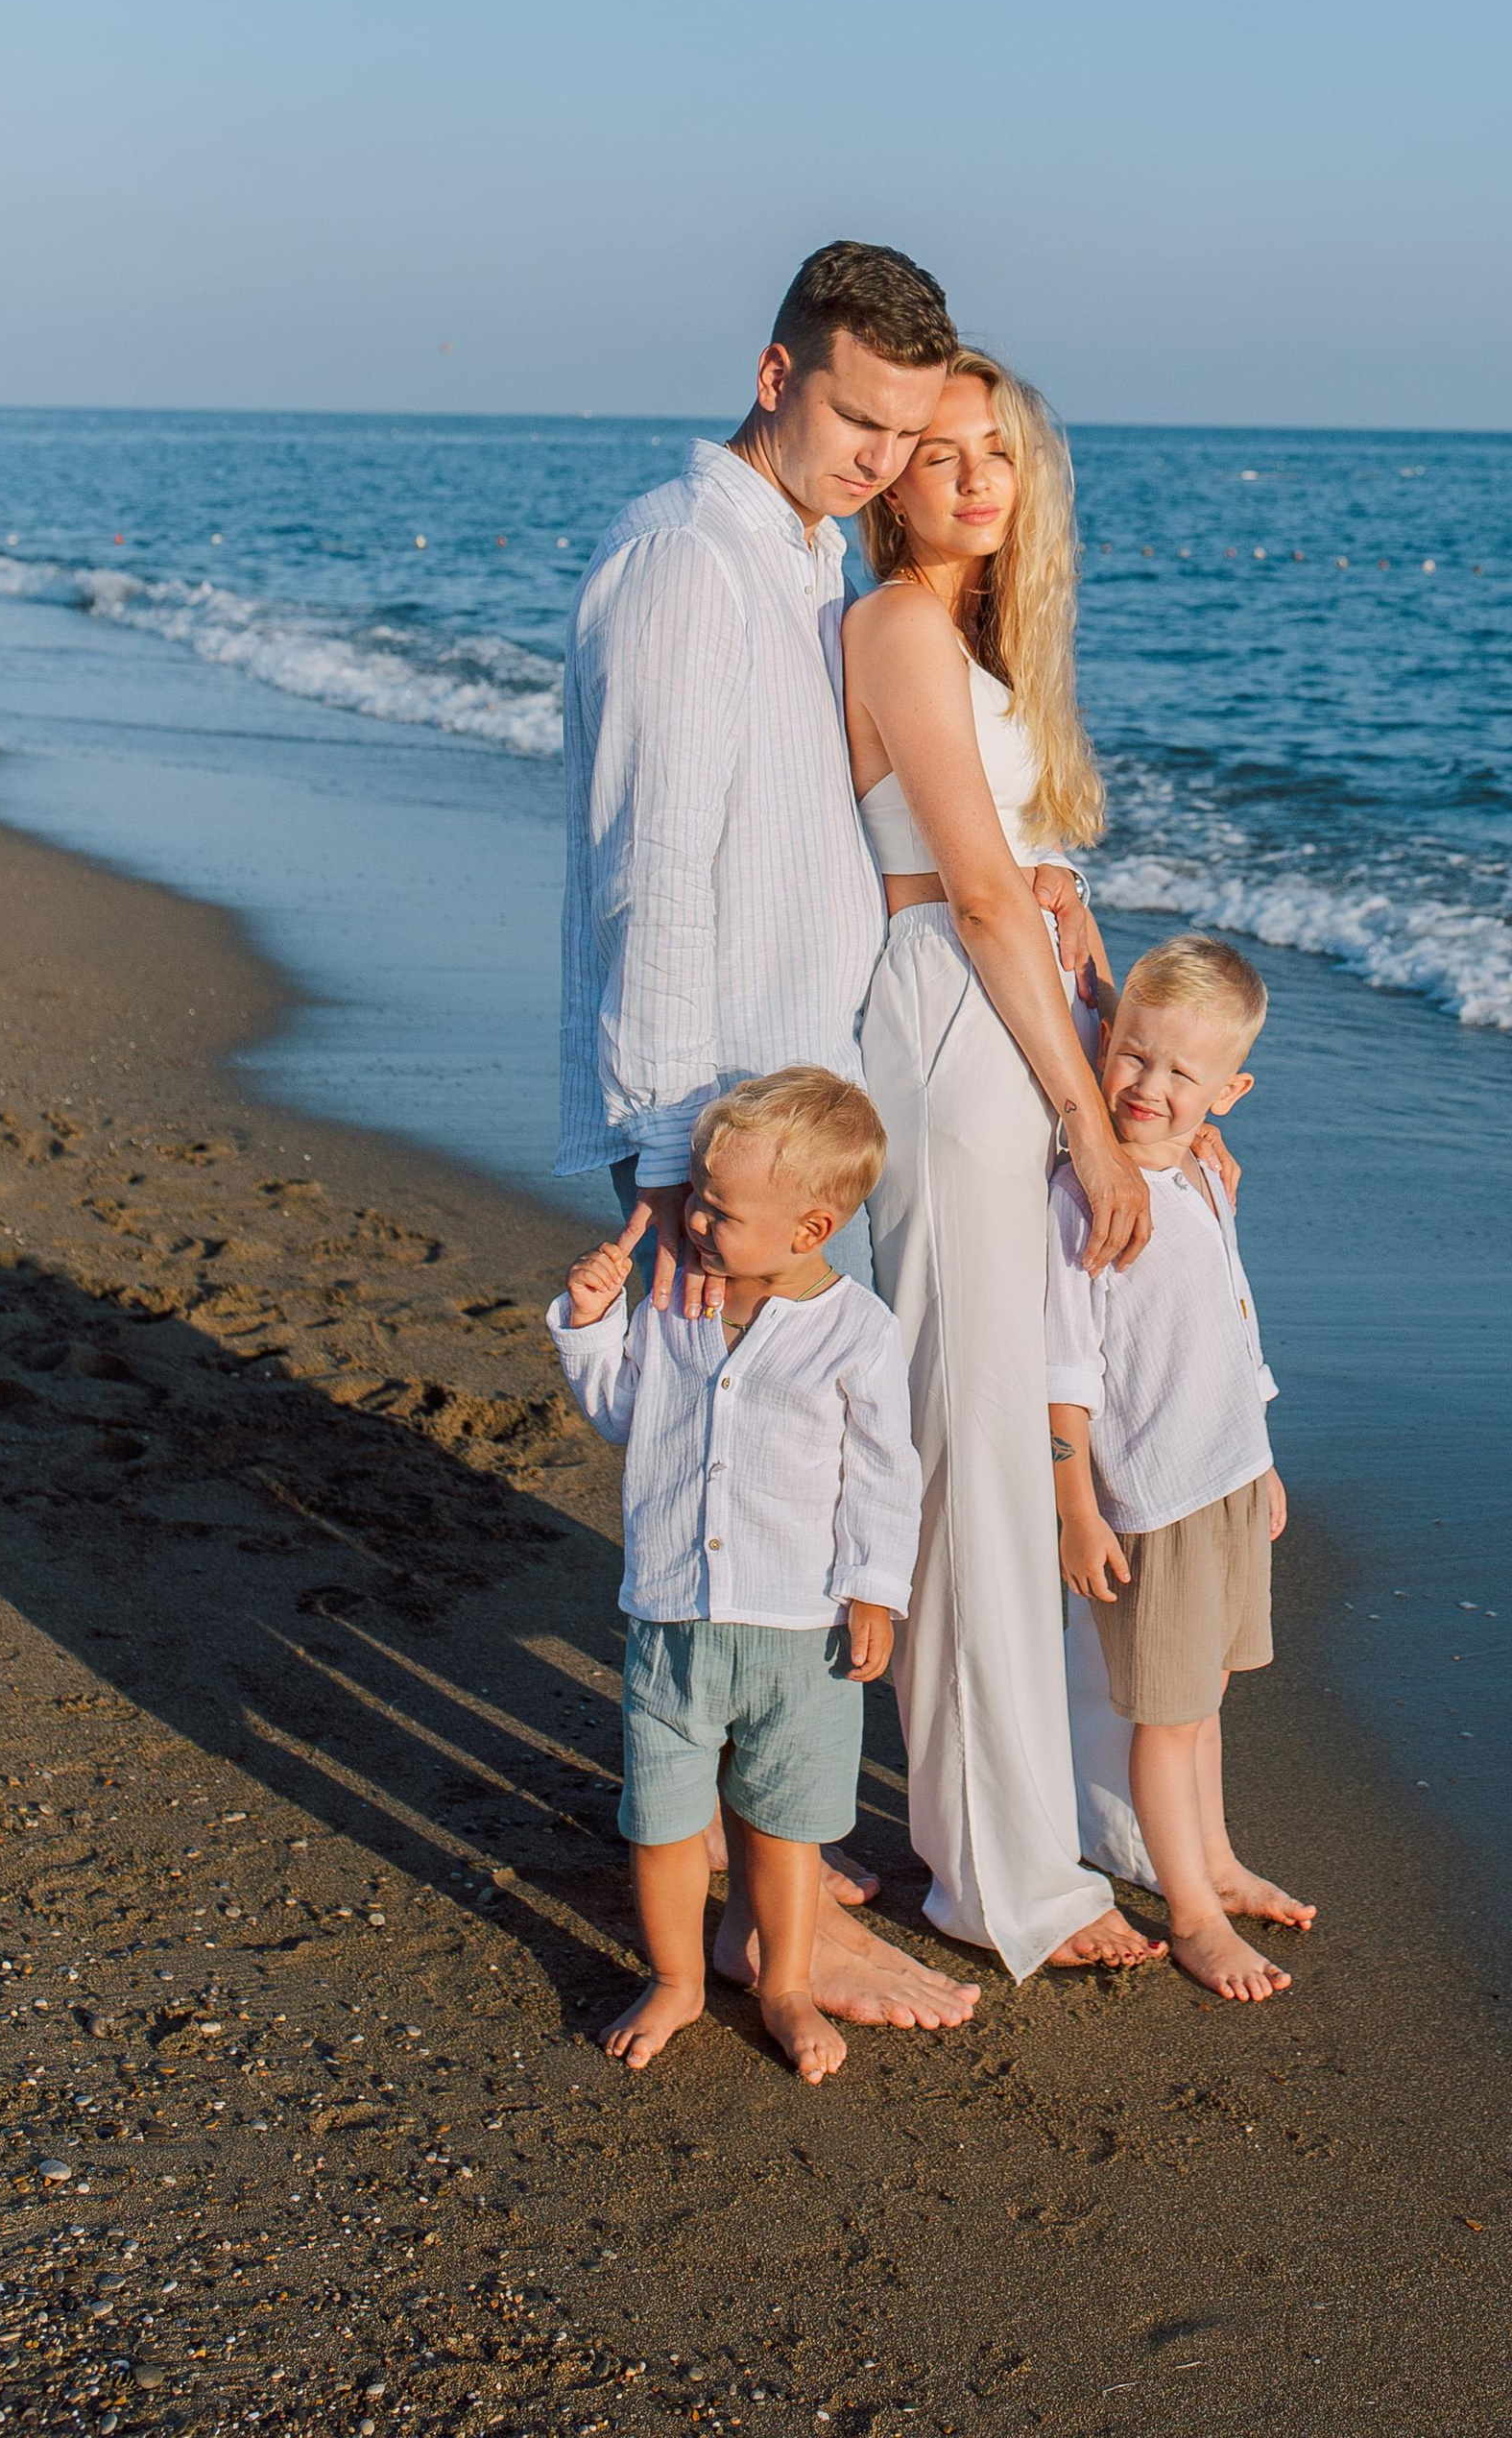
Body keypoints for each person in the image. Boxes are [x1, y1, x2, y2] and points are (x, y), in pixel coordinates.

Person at [559, 239, 1081, 2033]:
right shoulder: (682, 567)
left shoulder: (794, 564)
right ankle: (778, 1940)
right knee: (749, 1549)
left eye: (904, 432)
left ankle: (778, 1893)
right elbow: (652, 883)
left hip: (810, 1110)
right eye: (856, 417)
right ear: (773, 373)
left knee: (788, 1530)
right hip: (737, 1141)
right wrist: (675, 1174)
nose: (877, 459)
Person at [844, 352, 1169, 1978]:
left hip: (991, 1013)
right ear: (889, 476)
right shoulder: (898, 625)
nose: (978, 479)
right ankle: (997, 1879)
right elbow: (966, 892)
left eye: (1002, 453)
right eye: (942, 453)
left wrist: (1060, 884)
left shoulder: (970, 641)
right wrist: (1095, 1128)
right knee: (970, 1454)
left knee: (980, 1433)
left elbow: (1009, 867)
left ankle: (1014, 1835)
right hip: (949, 1023)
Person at [547, 1069, 921, 2085]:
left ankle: (786, 1982)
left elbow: (886, 1472)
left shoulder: (857, 1332)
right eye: (698, 1197)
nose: (695, 1218)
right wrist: (591, 1326)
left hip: (800, 1629)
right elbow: (626, 1416)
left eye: (719, 1208)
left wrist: (876, 1586)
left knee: (783, 1827)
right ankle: (675, 1979)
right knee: (665, 1821)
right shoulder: (672, 1301)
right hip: (671, 1618)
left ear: (811, 1228)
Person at [1045, 933, 1316, 2001]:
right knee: (1161, 1714)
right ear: (1104, 1043)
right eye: (1134, 1057)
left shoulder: (1205, 1175)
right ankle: (1192, 1914)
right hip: (1150, 1498)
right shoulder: (1085, 1193)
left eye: (1182, 1073)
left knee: (1202, 1698)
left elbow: (1233, 1321)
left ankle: (1214, 1859)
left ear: (1230, 1092)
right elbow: (1061, 1362)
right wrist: (1075, 1505)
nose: (1149, 1086)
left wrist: (1264, 1454)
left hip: (1230, 1479)